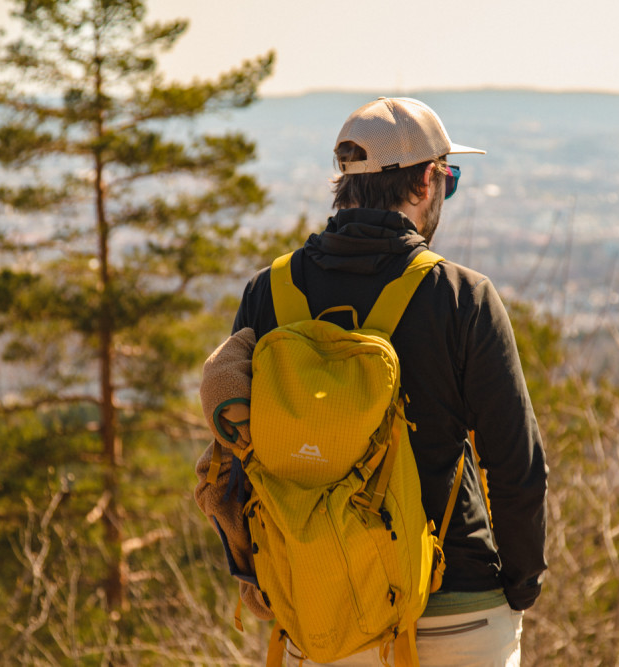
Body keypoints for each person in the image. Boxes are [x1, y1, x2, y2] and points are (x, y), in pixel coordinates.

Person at [231, 97, 548, 667]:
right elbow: (517, 466)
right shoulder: (461, 297)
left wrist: (257, 575)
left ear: (344, 187)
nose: (445, 193)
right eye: (449, 181)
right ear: (426, 182)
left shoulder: (269, 293)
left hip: (321, 610)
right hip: (457, 607)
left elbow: (234, 449)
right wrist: (519, 589)